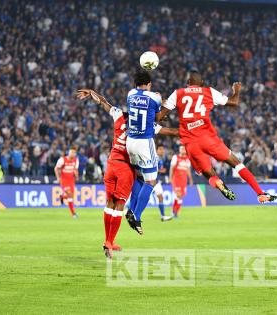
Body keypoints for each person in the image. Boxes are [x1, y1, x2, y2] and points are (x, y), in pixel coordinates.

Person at [156, 70, 276, 203]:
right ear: (201, 83)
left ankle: (219, 183)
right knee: (236, 163)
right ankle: (260, 193)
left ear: (187, 83)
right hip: (208, 138)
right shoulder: (208, 91)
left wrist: (160, 106)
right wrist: (236, 90)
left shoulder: (177, 93)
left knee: (209, 173)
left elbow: (158, 117)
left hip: (191, 143)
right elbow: (234, 102)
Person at [76, 89, 136, 258]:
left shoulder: (118, 115)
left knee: (110, 202)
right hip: (125, 167)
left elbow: (102, 102)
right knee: (119, 205)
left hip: (111, 164)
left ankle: (108, 241)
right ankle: (109, 242)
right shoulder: (142, 124)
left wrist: (92, 92)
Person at [125, 70, 164, 232]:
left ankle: (130, 211)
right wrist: (160, 98)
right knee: (151, 181)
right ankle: (137, 216)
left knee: (139, 177)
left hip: (130, 142)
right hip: (144, 143)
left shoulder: (130, 94)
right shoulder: (154, 97)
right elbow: (158, 118)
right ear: (149, 83)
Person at [54, 146, 79, 218]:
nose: (73, 154)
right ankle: (73, 213)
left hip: (71, 180)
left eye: (74, 152)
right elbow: (56, 168)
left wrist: (76, 176)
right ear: (69, 152)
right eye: (71, 152)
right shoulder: (62, 160)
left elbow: (75, 169)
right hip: (64, 180)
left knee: (71, 196)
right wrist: (58, 178)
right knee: (70, 195)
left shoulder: (76, 160)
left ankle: (62, 197)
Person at [169, 145, 194, 218]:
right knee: (178, 195)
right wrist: (170, 177)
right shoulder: (175, 157)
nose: (183, 150)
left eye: (184, 149)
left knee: (181, 197)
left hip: (184, 180)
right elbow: (172, 168)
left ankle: (174, 211)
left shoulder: (187, 159)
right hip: (176, 179)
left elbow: (188, 170)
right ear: (179, 150)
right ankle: (175, 212)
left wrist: (190, 179)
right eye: (182, 149)